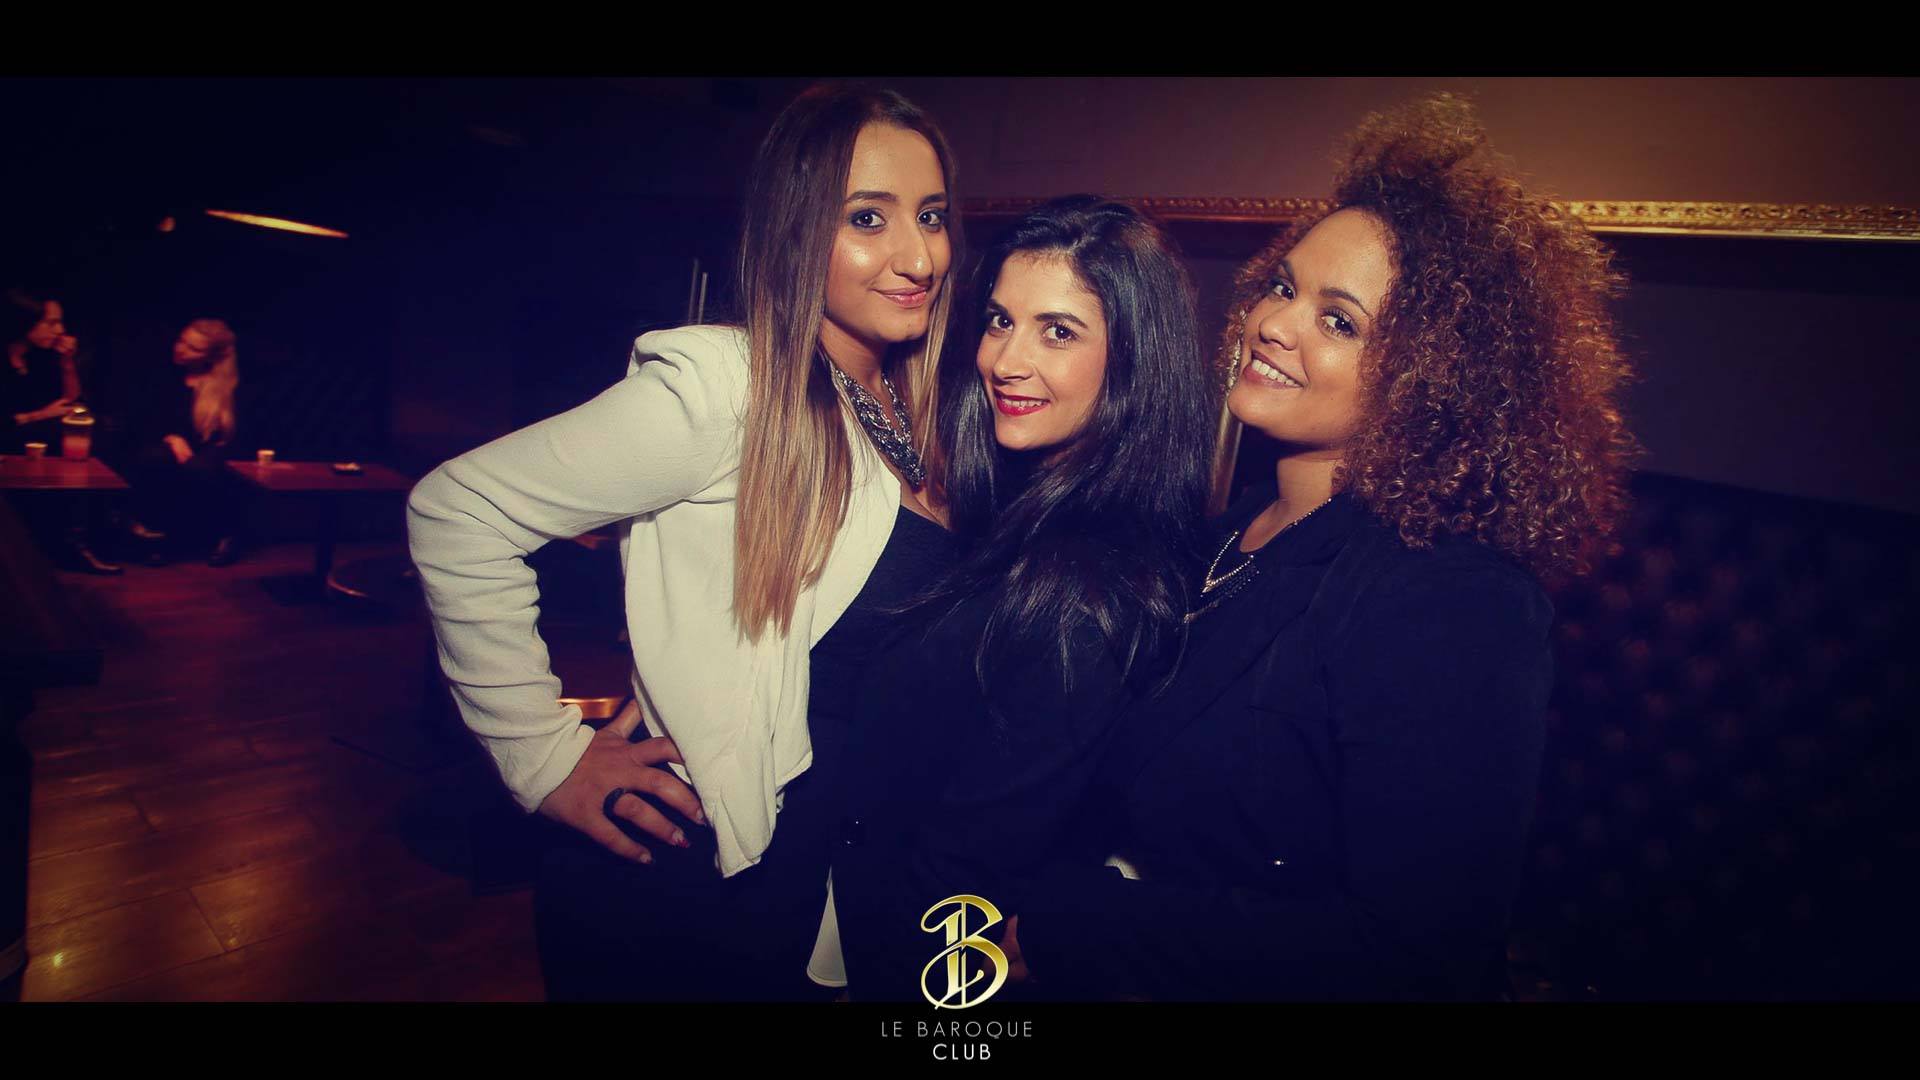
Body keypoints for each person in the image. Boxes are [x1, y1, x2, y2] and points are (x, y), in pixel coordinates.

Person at [998, 94, 1637, 1000]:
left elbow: (1413, 955)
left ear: (1430, 379)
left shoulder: (1451, 596)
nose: (1274, 322)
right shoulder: (1230, 529)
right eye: (1284, 287)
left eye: (1339, 321)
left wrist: (1074, 926)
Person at [407, 83, 961, 1000]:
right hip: (692, 885)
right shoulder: (730, 388)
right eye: (868, 217)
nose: (918, 256)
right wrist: (542, 755)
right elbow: (458, 511)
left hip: (829, 871)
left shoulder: (910, 405)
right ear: (794, 231)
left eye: (931, 217)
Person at [830, 196, 1219, 1001]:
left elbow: (968, 873)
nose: (1007, 360)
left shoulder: (1088, 593)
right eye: (1001, 321)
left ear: (1134, 362)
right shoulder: (1017, 514)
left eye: (1058, 332)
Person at [124, 318, 249, 566]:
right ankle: (155, 536)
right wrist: (171, 438)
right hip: (168, 444)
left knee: (202, 467)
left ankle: (226, 535)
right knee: (156, 457)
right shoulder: (164, 375)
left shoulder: (228, 387)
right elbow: (141, 421)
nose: (180, 349)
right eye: (182, 341)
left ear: (211, 357)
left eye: (193, 348)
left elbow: (233, 437)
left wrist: (205, 453)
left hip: (211, 451)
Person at [3, 289, 82, 452]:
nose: (60, 330)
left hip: (36, 442)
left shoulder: (41, 355)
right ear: (26, 323)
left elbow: (67, 402)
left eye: (60, 322)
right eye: (51, 323)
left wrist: (67, 362)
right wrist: (38, 415)